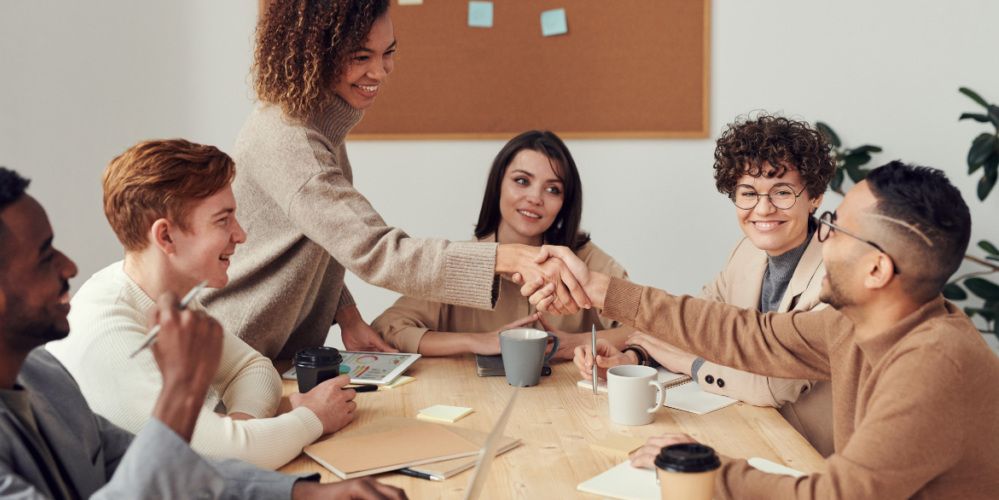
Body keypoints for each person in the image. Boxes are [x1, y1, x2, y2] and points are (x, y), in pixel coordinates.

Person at [527, 161, 999, 499]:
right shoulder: (855, 325)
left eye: (835, 226)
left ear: (877, 270)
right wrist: (600, 288)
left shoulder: (934, 364)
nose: (822, 234)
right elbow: (747, 334)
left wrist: (706, 469)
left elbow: (841, 494)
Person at [198, 0, 590, 361]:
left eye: (388, 53)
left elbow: (321, 237)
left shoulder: (315, 124)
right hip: (233, 353)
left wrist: (346, 314)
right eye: (361, 56)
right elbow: (377, 251)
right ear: (316, 54)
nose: (380, 71)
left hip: (272, 354)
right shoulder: (292, 140)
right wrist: (503, 257)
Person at [0, 165, 407, 500]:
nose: (70, 267)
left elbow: (163, 465)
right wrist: (182, 392)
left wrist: (303, 492)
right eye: (44, 256)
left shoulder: (42, 373)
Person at [46, 140, 358, 470]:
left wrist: (239, 431)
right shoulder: (109, 332)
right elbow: (214, 459)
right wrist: (312, 418)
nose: (240, 235)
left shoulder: (167, 296)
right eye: (223, 220)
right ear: (165, 237)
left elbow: (252, 368)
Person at [573, 115, 837, 456]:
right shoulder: (745, 253)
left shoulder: (835, 276)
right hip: (748, 431)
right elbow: (694, 324)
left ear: (814, 196)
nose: (763, 208)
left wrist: (691, 364)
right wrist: (635, 356)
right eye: (748, 193)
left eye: (782, 192)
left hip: (810, 456)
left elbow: (773, 385)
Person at [371, 131, 631, 358]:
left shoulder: (586, 261)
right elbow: (387, 329)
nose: (535, 198)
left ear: (565, 203)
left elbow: (649, 328)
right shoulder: (460, 263)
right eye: (522, 181)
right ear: (498, 186)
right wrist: (475, 341)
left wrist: (579, 342)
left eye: (553, 189)